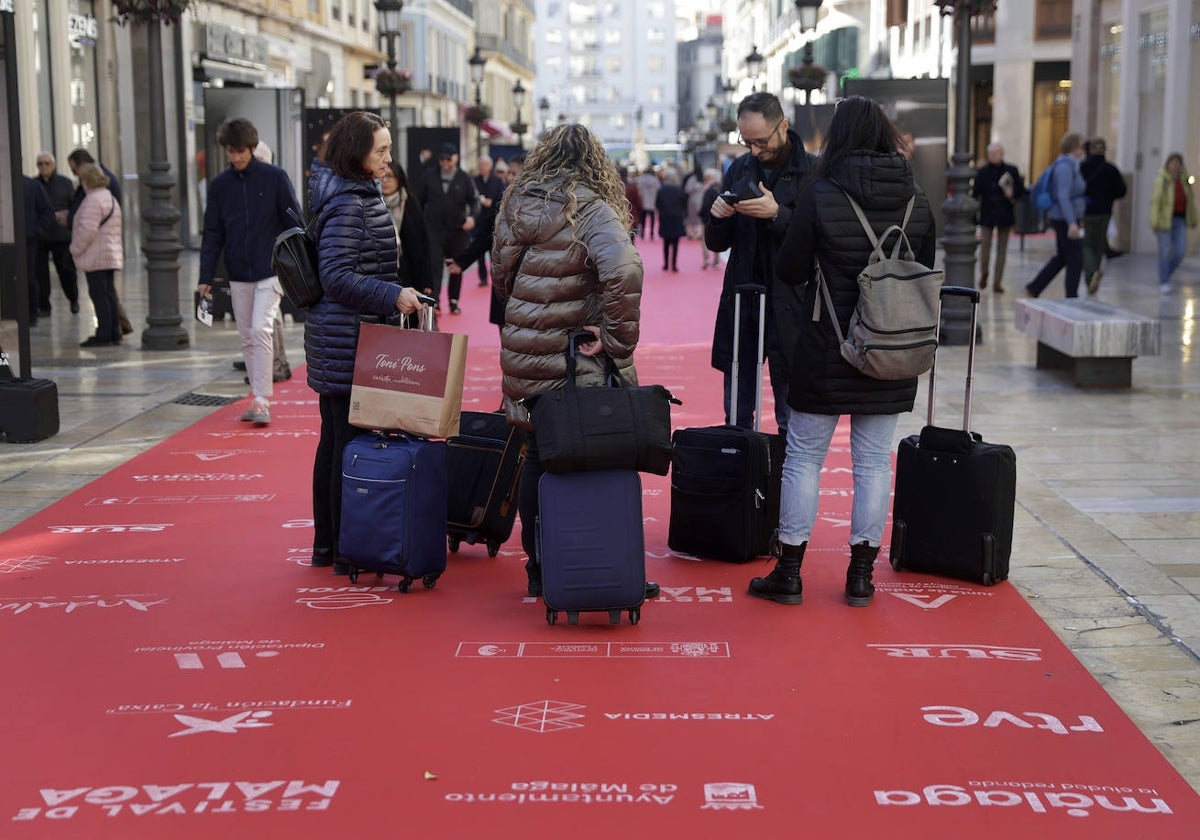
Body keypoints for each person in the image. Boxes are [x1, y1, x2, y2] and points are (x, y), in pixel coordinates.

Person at [757, 95, 937, 608]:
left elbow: (790, 269)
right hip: (891, 349)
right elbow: (921, 270)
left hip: (828, 345)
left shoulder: (822, 192)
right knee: (874, 463)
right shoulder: (916, 199)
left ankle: (789, 573)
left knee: (805, 458)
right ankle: (861, 577)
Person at [491, 123, 645, 598]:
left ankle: (538, 567)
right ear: (594, 163)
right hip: (573, 358)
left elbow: (499, 274)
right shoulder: (590, 209)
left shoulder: (517, 203)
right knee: (593, 458)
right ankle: (587, 560)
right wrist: (617, 342)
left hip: (523, 351)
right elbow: (623, 269)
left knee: (535, 455)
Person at [305, 110, 426, 575]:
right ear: (356, 153)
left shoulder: (347, 191)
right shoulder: (349, 202)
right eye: (381, 150)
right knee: (343, 443)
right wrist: (392, 293)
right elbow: (336, 276)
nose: (388, 159)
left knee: (335, 440)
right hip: (346, 338)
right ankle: (341, 546)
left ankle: (330, 544)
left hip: (343, 335)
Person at [704, 91, 815, 434]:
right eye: (746, 141)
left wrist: (778, 215)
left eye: (762, 141)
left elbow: (822, 240)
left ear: (783, 126)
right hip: (743, 301)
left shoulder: (813, 170)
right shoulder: (740, 167)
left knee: (791, 420)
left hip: (791, 305)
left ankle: (784, 485)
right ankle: (740, 478)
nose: (754, 150)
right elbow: (717, 242)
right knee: (736, 417)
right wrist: (718, 218)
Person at [198, 118, 302, 427]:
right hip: (238, 272)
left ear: (252, 147)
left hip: (271, 270)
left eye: (241, 150)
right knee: (246, 336)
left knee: (260, 329)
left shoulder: (275, 177)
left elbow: (294, 221)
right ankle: (257, 396)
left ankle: (262, 400)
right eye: (231, 151)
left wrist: (301, 265)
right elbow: (212, 233)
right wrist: (205, 277)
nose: (237, 157)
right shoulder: (220, 187)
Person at [67, 148, 132, 336]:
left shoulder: (93, 200)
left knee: (100, 295)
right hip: (108, 252)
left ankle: (106, 333)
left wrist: (74, 249)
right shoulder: (106, 197)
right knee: (108, 294)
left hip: (97, 253)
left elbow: (88, 230)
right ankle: (113, 331)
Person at [415, 143, 478, 315]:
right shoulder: (429, 176)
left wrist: (472, 217)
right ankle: (434, 302)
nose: (445, 162)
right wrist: (420, 223)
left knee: (455, 266)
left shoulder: (464, 178)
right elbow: (419, 201)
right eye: (442, 159)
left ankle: (453, 300)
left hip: (457, 231)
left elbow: (475, 201)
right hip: (434, 230)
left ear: (456, 158)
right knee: (435, 266)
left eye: (448, 159)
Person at [1025, 132, 1087, 299]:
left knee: (1063, 257)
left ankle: (1035, 287)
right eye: (1082, 146)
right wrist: (1072, 223)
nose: (1084, 149)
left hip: (1066, 217)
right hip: (1064, 218)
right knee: (1075, 259)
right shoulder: (1065, 167)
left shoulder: (1070, 164)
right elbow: (1063, 196)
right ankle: (1071, 296)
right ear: (1074, 148)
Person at [972, 142, 1025, 293]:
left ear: (1002, 154)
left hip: (1005, 214)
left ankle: (997, 282)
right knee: (985, 248)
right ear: (988, 155)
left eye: (996, 153)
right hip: (988, 214)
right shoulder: (982, 172)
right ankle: (984, 273)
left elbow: (1021, 191)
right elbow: (975, 194)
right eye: (991, 153)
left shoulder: (1011, 170)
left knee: (1002, 249)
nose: (994, 156)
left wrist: (1012, 193)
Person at [33, 153, 81, 316]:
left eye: (47, 163)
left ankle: (73, 299)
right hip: (42, 236)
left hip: (61, 236)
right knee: (40, 274)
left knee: (66, 271)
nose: (44, 167)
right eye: (40, 164)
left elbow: (73, 206)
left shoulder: (65, 183)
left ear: (54, 165)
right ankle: (44, 306)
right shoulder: (34, 184)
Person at [1080, 137, 1127, 295]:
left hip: (1086, 212)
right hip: (1105, 212)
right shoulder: (1111, 169)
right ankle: (1094, 276)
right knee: (1099, 245)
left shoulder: (1083, 167)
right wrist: (1108, 197)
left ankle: (1091, 274)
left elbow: (1077, 188)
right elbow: (1121, 191)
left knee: (1086, 244)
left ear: (1090, 149)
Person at [380, 160, 434, 295]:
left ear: (399, 179)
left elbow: (422, 243)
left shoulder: (410, 203)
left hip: (408, 274)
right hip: (381, 273)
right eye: (381, 177)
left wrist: (426, 279)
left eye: (390, 176)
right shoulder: (372, 204)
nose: (385, 181)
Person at [1149, 152, 1196, 294]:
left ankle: (1166, 273)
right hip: (1164, 220)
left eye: (1178, 163)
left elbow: (1191, 201)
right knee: (1164, 251)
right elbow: (1155, 202)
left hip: (1180, 219)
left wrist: (1193, 219)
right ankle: (1164, 280)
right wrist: (1154, 221)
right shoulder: (1162, 180)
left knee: (1180, 251)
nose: (1175, 166)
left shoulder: (1185, 180)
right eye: (1173, 162)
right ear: (1168, 164)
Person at [22, 176, 55, 327]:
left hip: (28, 240)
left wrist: (36, 231)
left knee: (29, 276)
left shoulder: (32, 186)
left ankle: (31, 313)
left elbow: (47, 212)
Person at [472, 155, 506, 287]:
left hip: (493, 221)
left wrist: (488, 201)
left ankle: (495, 277)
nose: (482, 167)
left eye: (484, 165)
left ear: (490, 166)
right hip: (479, 220)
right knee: (479, 253)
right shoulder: (474, 180)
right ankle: (483, 277)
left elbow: (498, 199)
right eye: (480, 164)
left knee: (494, 253)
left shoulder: (497, 181)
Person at [655, 169, 687, 272]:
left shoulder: (661, 190)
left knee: (666, 242)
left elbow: (657, 204)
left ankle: (665, 264)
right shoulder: (679, 190)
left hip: (665, 218)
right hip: (677, 218)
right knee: (676, 243)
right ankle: (674, 264)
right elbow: (684, 204)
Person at [698, 168, 722, 269]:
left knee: (704, 238)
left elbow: (705, 205)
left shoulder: (708, 189)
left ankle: (707, 259)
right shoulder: (719, 188)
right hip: (718, 216)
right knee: (717, 238)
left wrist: (701, 214)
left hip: (707, 217)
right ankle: (716, 261)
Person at [635, 168, 660, 239]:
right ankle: (651, 233)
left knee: (643, 219)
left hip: (643, 201)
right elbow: (658, 189)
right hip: (652, 201)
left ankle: (642, 233)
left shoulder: (641, 179)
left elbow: (638, 190)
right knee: (652, 219)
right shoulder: (655, 179)